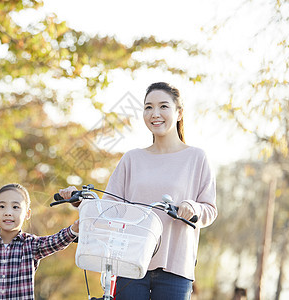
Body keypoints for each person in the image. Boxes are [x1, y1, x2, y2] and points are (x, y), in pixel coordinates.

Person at [58, 82, 217, 300]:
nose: (155, 114)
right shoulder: (132, 158)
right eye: (148, 107)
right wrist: (80, 201)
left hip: (175, 265)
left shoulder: (196, 158)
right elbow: (108, 210)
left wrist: (192, 207)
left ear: (179, 113)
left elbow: (209, 209)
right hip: (129, 262)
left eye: (163, 106)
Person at [0, 183, 79, 300]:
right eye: (2, 206)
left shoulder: (30, 245)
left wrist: (73, 230)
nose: (8, 212)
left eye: (15, 207)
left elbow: (56, 241)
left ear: (27, 214)